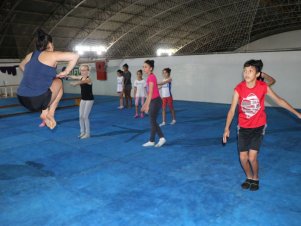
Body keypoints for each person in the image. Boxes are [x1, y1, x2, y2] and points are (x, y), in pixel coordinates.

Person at [222, 59, 301, 191]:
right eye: (245, 71)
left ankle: (256, 177)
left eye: (250, 71)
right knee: (243, 158)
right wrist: (226, 128)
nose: (246, 73)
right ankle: (248, 177)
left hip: (258, 126)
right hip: (243, 127)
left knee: (252, 157)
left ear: (258, 74)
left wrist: (297, 113)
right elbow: (231, 110)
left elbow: (279, 101)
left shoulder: (263, 87)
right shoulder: (239, 88)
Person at [17, 28, 79, 130]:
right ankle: (50, 113)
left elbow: (21, 66)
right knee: (59, 81)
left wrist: (32, 76)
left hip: (22, 98)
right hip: (38, 99)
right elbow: (75, 56)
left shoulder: (30, 55)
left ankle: (45, 111)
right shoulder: (51, 55)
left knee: (52, 85)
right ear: (50, 44)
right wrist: (66, 72)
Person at [141, 60, 166, 147]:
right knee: (152, 121)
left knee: (152, 121)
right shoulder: (150, 77)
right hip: (153, 101)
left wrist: (147, 106)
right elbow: (149, 94)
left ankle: (162, 138)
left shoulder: (151, 77)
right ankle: (151, 141)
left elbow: (151, 92)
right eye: (143, 67)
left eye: (146, 67)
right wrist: (145, 104)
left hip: (155, 101)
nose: (144, 68)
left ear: (151, 68)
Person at [68, 64, 94, 139]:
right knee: (80, 117)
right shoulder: (81, 77)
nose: (83, 72)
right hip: (83, 99)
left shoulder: (89, 79)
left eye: (85, 70)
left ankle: (88, 133)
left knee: (85, 117)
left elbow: (82, 82)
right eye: (82, 70)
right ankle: (82, 132)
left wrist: (75, 83)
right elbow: (75, 77)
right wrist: (67, 75)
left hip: (89, 99)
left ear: (88, 71)